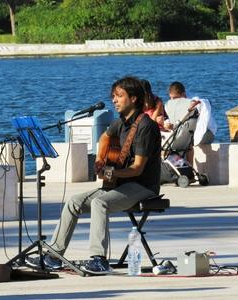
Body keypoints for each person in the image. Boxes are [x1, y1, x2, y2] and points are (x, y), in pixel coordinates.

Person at [26, 76, 161, 275]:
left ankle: (99, 260)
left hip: (142, 186)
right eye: (113, 96)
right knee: (74, 202)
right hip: (121, 185)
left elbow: (138, 168)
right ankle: (54, 255)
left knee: (100, 203)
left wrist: (112, 172)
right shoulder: (120, 123)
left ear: (133, 99)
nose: (114, 100)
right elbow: (104, 137)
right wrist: (100, 159)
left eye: (119, 96)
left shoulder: (146, 127)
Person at [163, 81, 217, 164]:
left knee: (187, 140)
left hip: (207, 132)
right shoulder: (169, 105)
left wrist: (196, 104)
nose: (173, 101)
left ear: (184, 94)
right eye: (171, 98)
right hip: (186, 133)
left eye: (176, 98)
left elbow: (205, 102)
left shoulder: (192, 100)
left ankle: (189, 167)